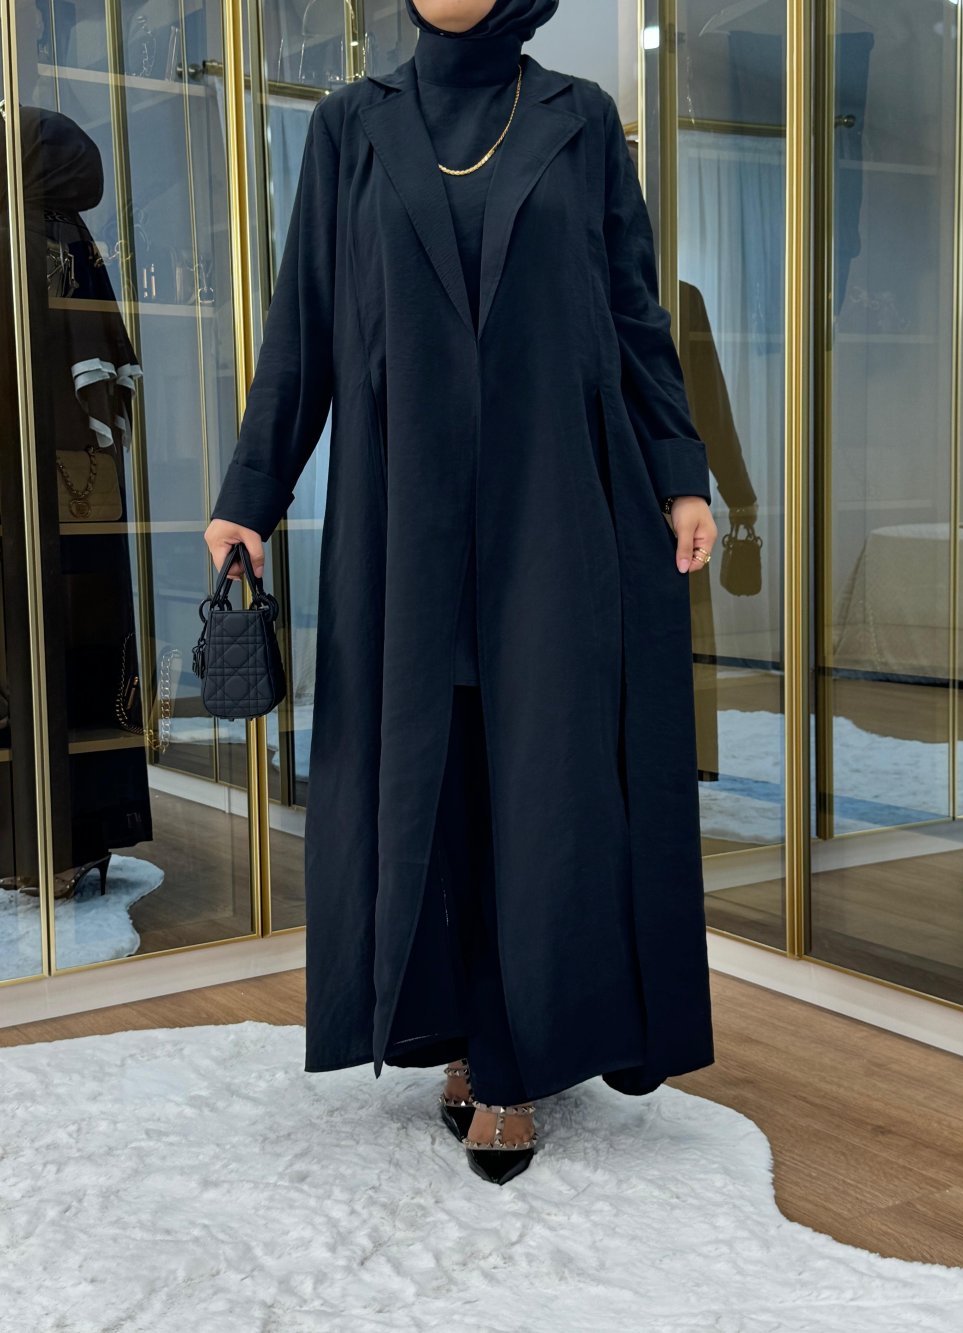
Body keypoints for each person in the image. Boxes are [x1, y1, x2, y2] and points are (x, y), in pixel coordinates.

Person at [204, 0, 718, 1185]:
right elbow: (305, 324)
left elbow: (634, 315)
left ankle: (511, 1059)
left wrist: (679, 473)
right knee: (433, 782)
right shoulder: (349, 126)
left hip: (556, 507)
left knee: (540, 785)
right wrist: (251, 493)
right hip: (406, 519)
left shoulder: (579, 122)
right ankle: (457, 1027)